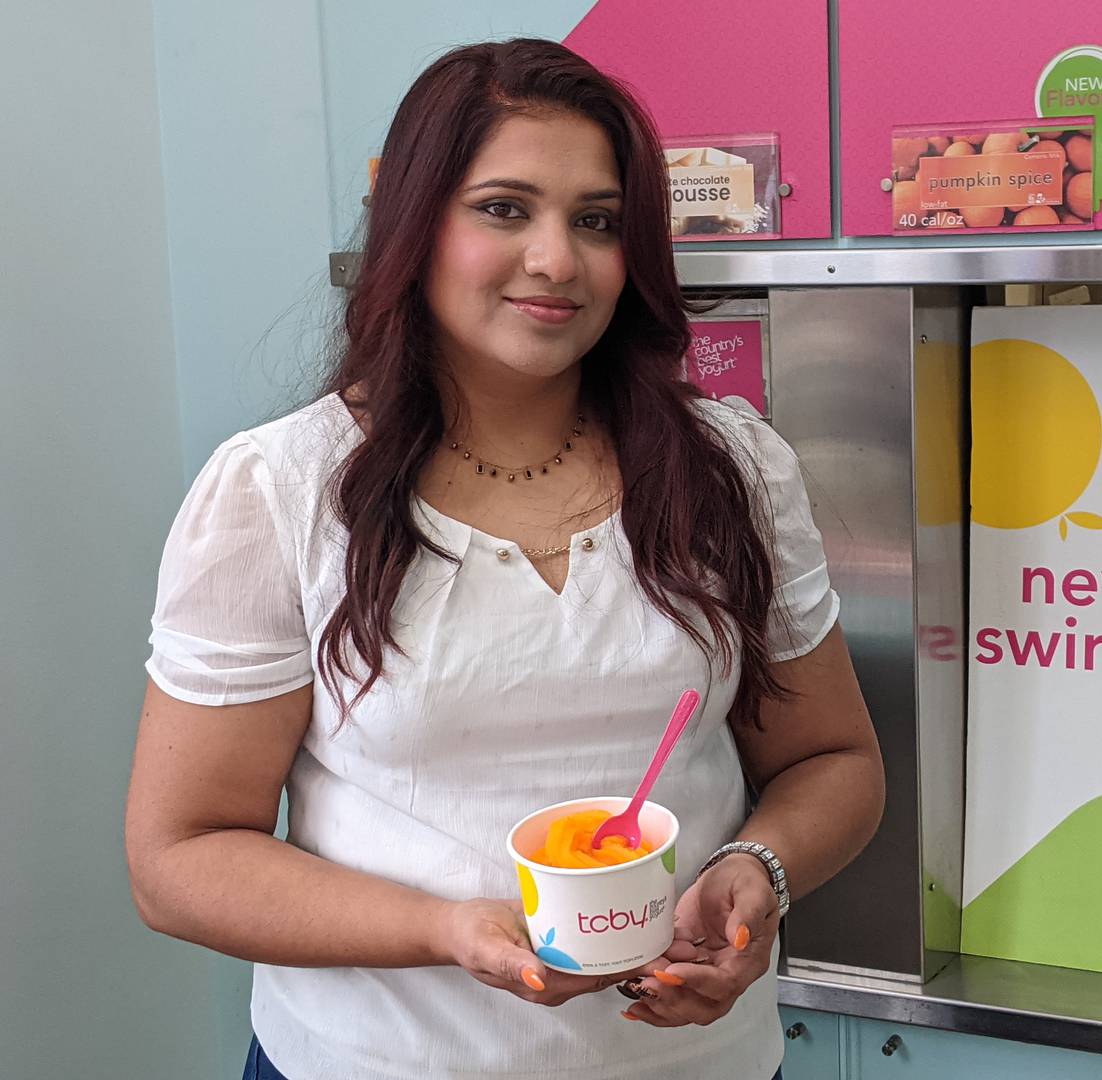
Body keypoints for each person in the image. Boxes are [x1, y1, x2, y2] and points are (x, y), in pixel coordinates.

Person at [125, 38, 883, 1080]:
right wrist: (446, 930)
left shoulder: (732, 470)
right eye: (503, 208)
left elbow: (832, 761)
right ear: (413, 220)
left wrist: (761, 868)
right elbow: (180, 860)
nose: (557, 261)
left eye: (597, 221)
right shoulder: (279, 493)